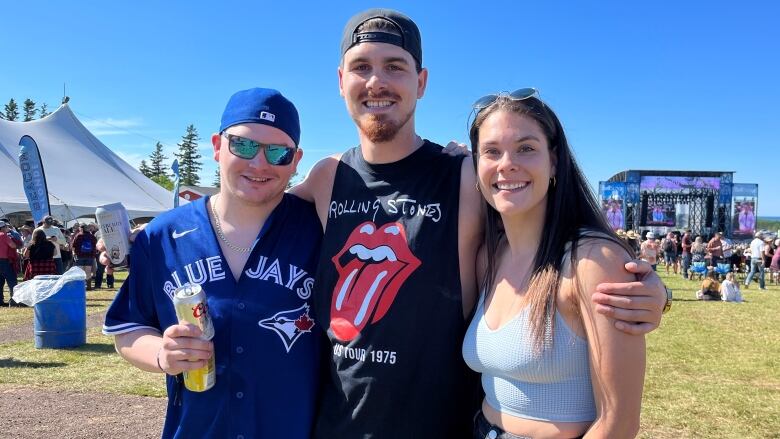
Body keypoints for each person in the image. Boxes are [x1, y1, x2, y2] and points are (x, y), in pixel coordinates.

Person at [290, 8, 668, 438]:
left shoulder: (467, 175)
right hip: (336, 425)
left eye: (394, 67)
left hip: (444, 424)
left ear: (422, 81)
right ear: (341, 81)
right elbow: (251, 219)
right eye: (362, 67)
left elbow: (549, 229)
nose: (377, 81)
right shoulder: (327, 177)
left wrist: (649, 288)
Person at [103, 88, 322, 439]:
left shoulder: (321, 231)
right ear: (218, 146)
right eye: (245, 146)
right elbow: (127, 328)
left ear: (295, 161)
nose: (260, 163)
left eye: (278, 152)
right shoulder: (162, 237)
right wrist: (163, 353)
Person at [461, 89, 645, 438]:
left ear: (554, 161)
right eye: (491, 151)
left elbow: (618, 423)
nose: (506, 164)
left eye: (526, 148)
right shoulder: (489, 258)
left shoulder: (593, 261)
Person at [71, 224, 98, 290]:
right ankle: (89, 286)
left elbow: (73, 245)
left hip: (80, 255)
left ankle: (81, 286)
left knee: (80, 271)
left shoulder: (78, 236)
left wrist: (74, 253)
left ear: (81, 228)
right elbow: (95, 246)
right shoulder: (92, 236)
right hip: (90, 256)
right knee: (88, 271)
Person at [0, 220, 19, 306]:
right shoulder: (4, 235)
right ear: (2, 228)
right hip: (4, 261)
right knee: (11, 280)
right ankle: (13, 301)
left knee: (0, 281)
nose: (7, 228)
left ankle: (0, 300)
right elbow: (13, 245)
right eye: (6, 227)